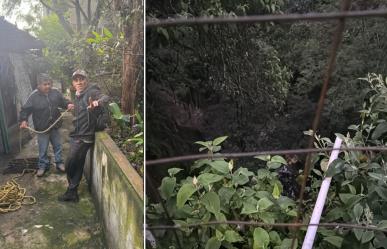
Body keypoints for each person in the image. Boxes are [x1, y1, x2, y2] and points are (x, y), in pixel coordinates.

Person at [58, 69, 109, 202]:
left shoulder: (91, 92)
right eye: (76, 80)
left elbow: (105, 97)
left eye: (82, 79)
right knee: (78, 163)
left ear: (86, 80)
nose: (79, 82)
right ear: (73, 83)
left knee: (69, 163)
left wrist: (98, 102)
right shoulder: (78, 95)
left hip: (84, 136)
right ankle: (72, 192)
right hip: (77, 133)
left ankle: (71, 190)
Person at [19, 73, 74, 177]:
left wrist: (68, 104)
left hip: (55, 125)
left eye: (49, 84)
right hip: (42, 128)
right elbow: (25, 110)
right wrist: (23, 120)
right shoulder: (33, 96)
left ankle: (59, 163)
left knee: (58, 146)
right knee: (43, 149)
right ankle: (42, 166)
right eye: (45, 84)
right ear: (39, 85)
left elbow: (63, 101)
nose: (48, 86)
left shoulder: (55, 93)